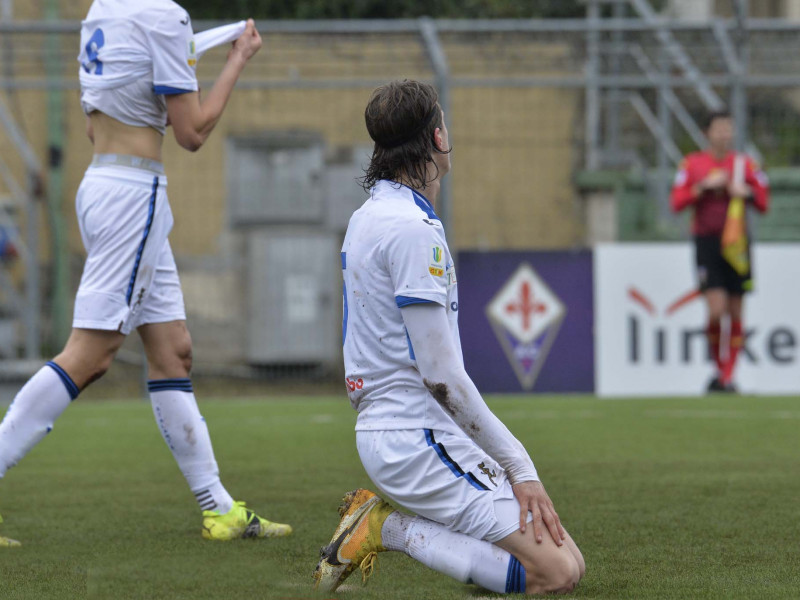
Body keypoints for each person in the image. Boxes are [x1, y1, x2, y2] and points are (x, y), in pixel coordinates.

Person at [0, 0, 291, 548]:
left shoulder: (101, 11)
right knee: (91, 353)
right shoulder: (165, 16)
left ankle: (219, 509)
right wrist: (239, 58)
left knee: (173, 349)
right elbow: (194, 132)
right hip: (133, 195)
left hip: (107, 183)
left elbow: (100, 125)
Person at [313, 80, 584, 595]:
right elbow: (441, 376)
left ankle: (393, 528)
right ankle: (383, 527)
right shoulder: (411, 229)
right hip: (416, 437)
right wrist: (519, 466)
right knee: (556, 573)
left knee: (570, 562)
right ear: (438, 138)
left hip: (405, 431)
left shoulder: (371, 214)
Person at [671, 111, 769, 393]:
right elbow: (677, 201)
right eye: (719, 130)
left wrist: (746, 192)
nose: (724, 135)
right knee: (716, 311)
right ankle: (718, 367)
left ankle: (727, 377)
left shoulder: (745, 164)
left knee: (736, 309)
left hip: (737, 244)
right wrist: (703, 187)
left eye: (729, 129)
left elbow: (764, 201)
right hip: (707, 243)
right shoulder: (692, 164)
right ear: (707, 133)